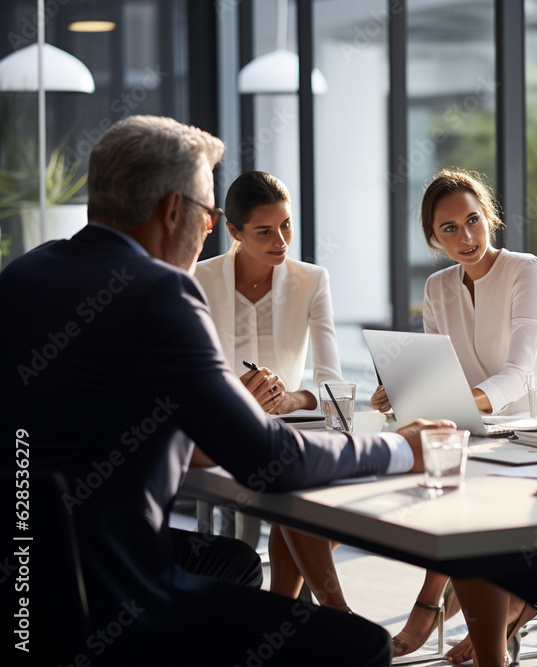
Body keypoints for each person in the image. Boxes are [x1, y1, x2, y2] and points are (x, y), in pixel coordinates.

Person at [0, 115, 451, 667]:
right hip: (114, 600)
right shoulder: (160, 292)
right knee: (360, 645)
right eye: (210, 215)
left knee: (234, 561)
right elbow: (269, 461)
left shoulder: (20, 276)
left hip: (26, 583)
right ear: (173, 209)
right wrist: (404, 447)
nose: (212, 229)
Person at [371, 168, 537, 666]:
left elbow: (520, 374)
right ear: (433, 237)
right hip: (478, 428)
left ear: (491, 218)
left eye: (474, 221)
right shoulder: (438, 288)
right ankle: (491, 608)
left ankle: (439, 604)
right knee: (437, 475)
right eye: (450, 229)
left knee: (454, 482)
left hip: (533, 428)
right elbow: (445, 370)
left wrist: (458, 401)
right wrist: (404, 389)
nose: (467, 237)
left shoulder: (526, 269)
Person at [195, 171, 353, 612]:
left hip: (286, 435)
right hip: (221, 436)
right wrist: (235, 397)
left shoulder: (311, 280)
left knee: (302, 500)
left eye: (287, 225)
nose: (281, 239)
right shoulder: (199, 280)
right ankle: (310, 615)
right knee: (253, 521)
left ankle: (296, 614)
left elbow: (334, 386)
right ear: (233, 231)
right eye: (264, 231)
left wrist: (291, 400)